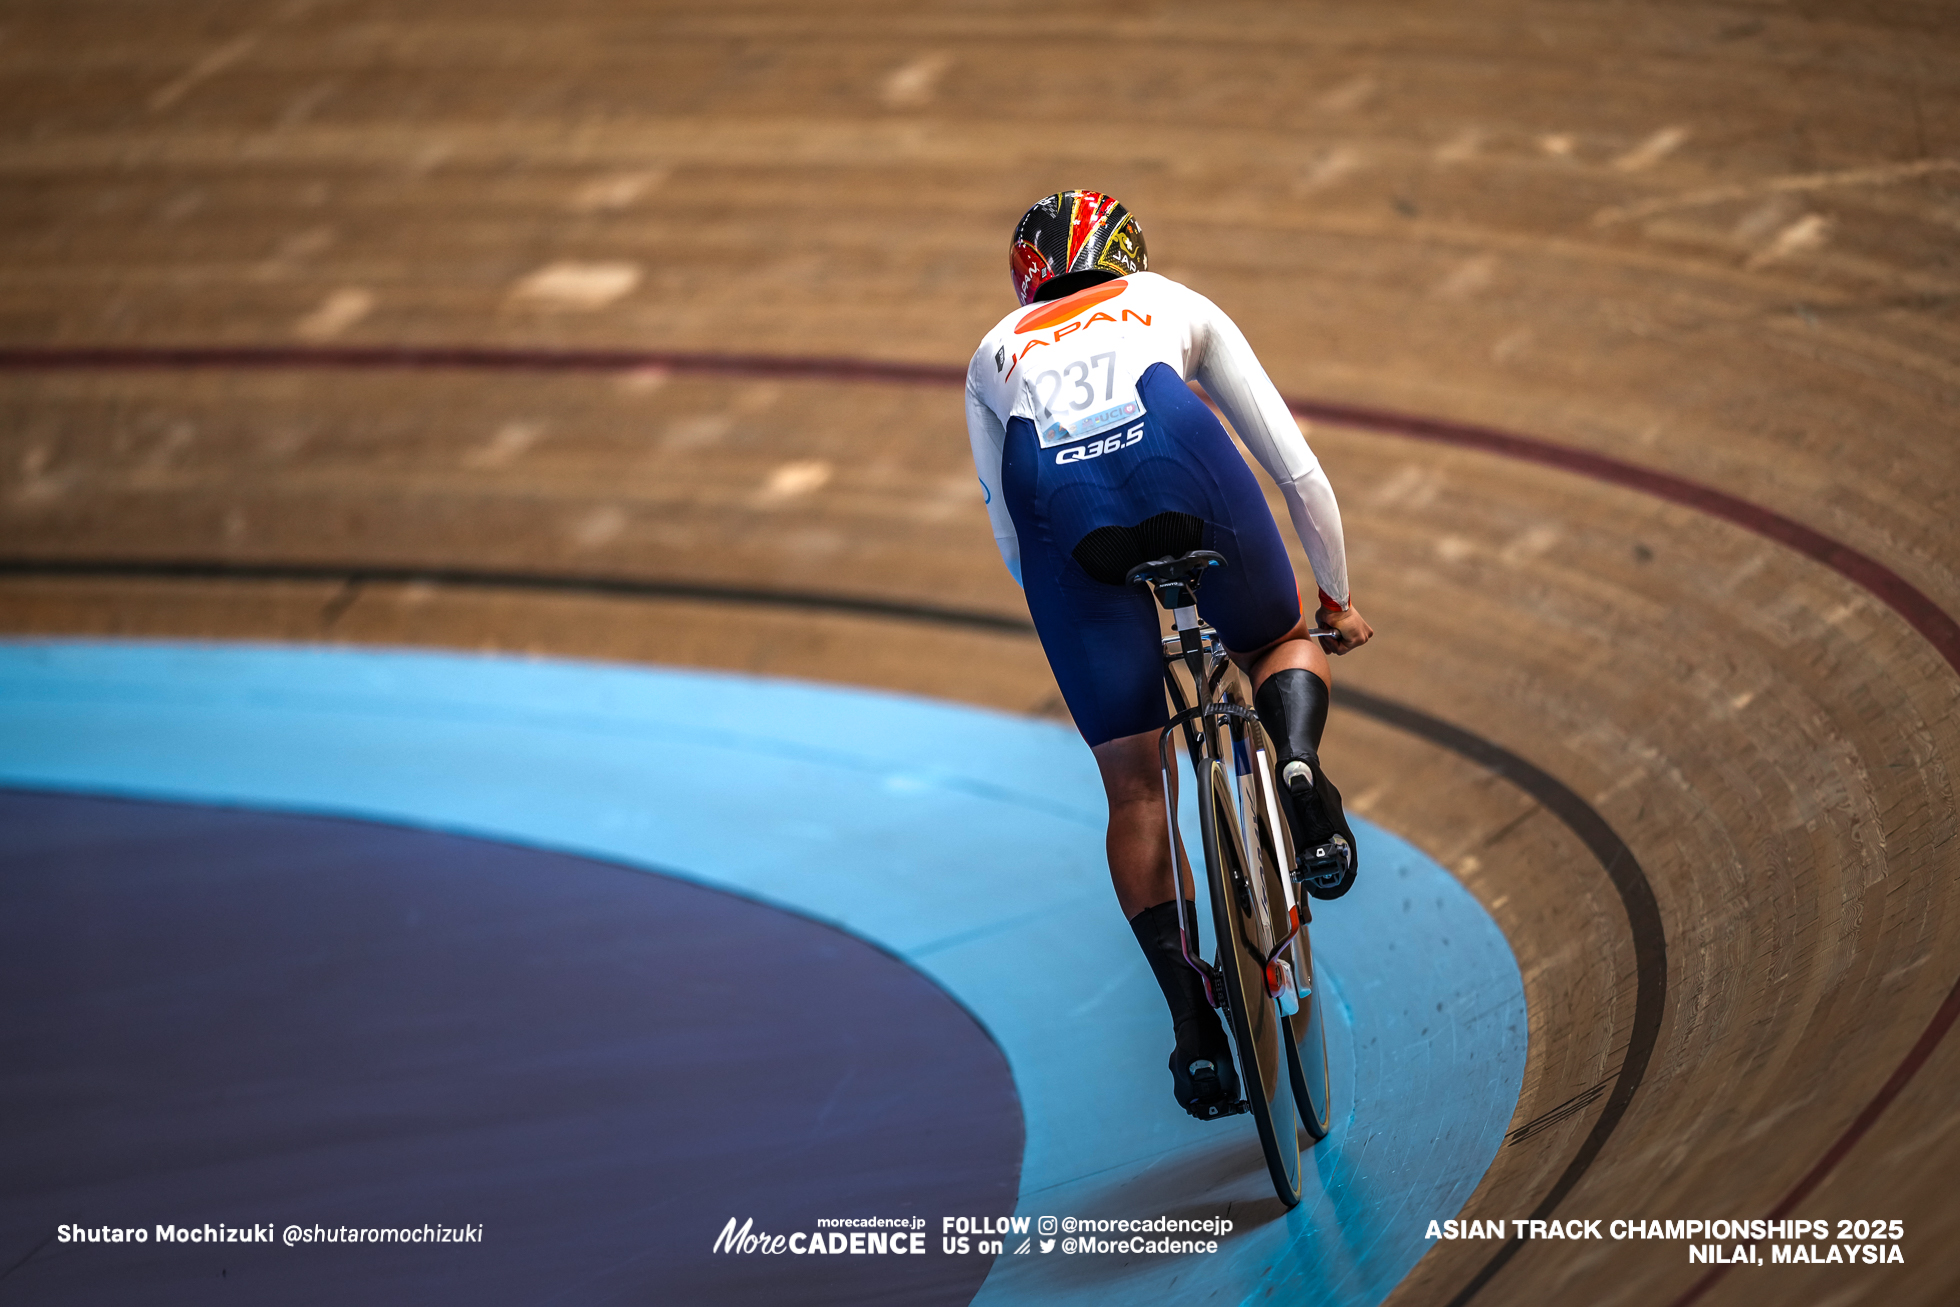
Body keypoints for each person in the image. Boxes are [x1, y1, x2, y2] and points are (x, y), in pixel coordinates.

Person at [963, 190, 1374, 1119]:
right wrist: (1337, 597)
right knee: (1276, 638)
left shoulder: (992, 351)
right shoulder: (1171, 299)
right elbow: (1297, 470)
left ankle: (1193, 1021)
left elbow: (1008, 532)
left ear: (1027, 275)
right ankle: (1299, 765)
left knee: (1137, 786)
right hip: (1181, 464)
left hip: (1063, 526)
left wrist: (1077, 626)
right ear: (1127, 252)